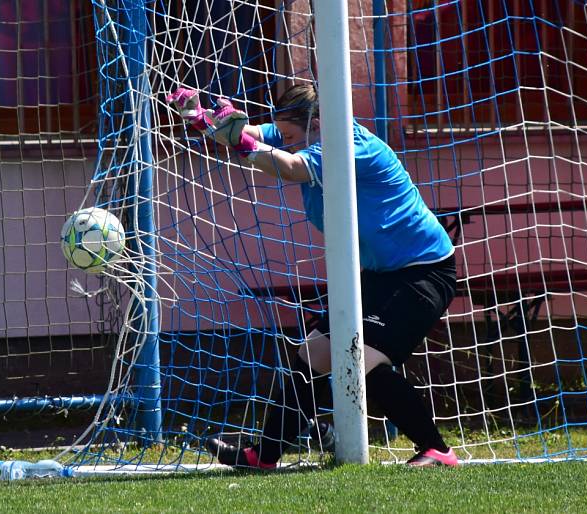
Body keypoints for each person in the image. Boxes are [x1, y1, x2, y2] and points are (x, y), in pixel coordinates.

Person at [167, 83, 458, 468]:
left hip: (422, 274)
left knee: (355, 362)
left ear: (318, 124)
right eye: (283, 135)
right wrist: (202, 119)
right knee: (314, 354)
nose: (285, 142)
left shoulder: (355, 149)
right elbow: (253, 134)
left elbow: (289, 168)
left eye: (289, 137)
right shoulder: (310, 132)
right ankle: (264, 455)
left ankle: (437, 450)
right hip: (378, 275)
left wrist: (240, 143)